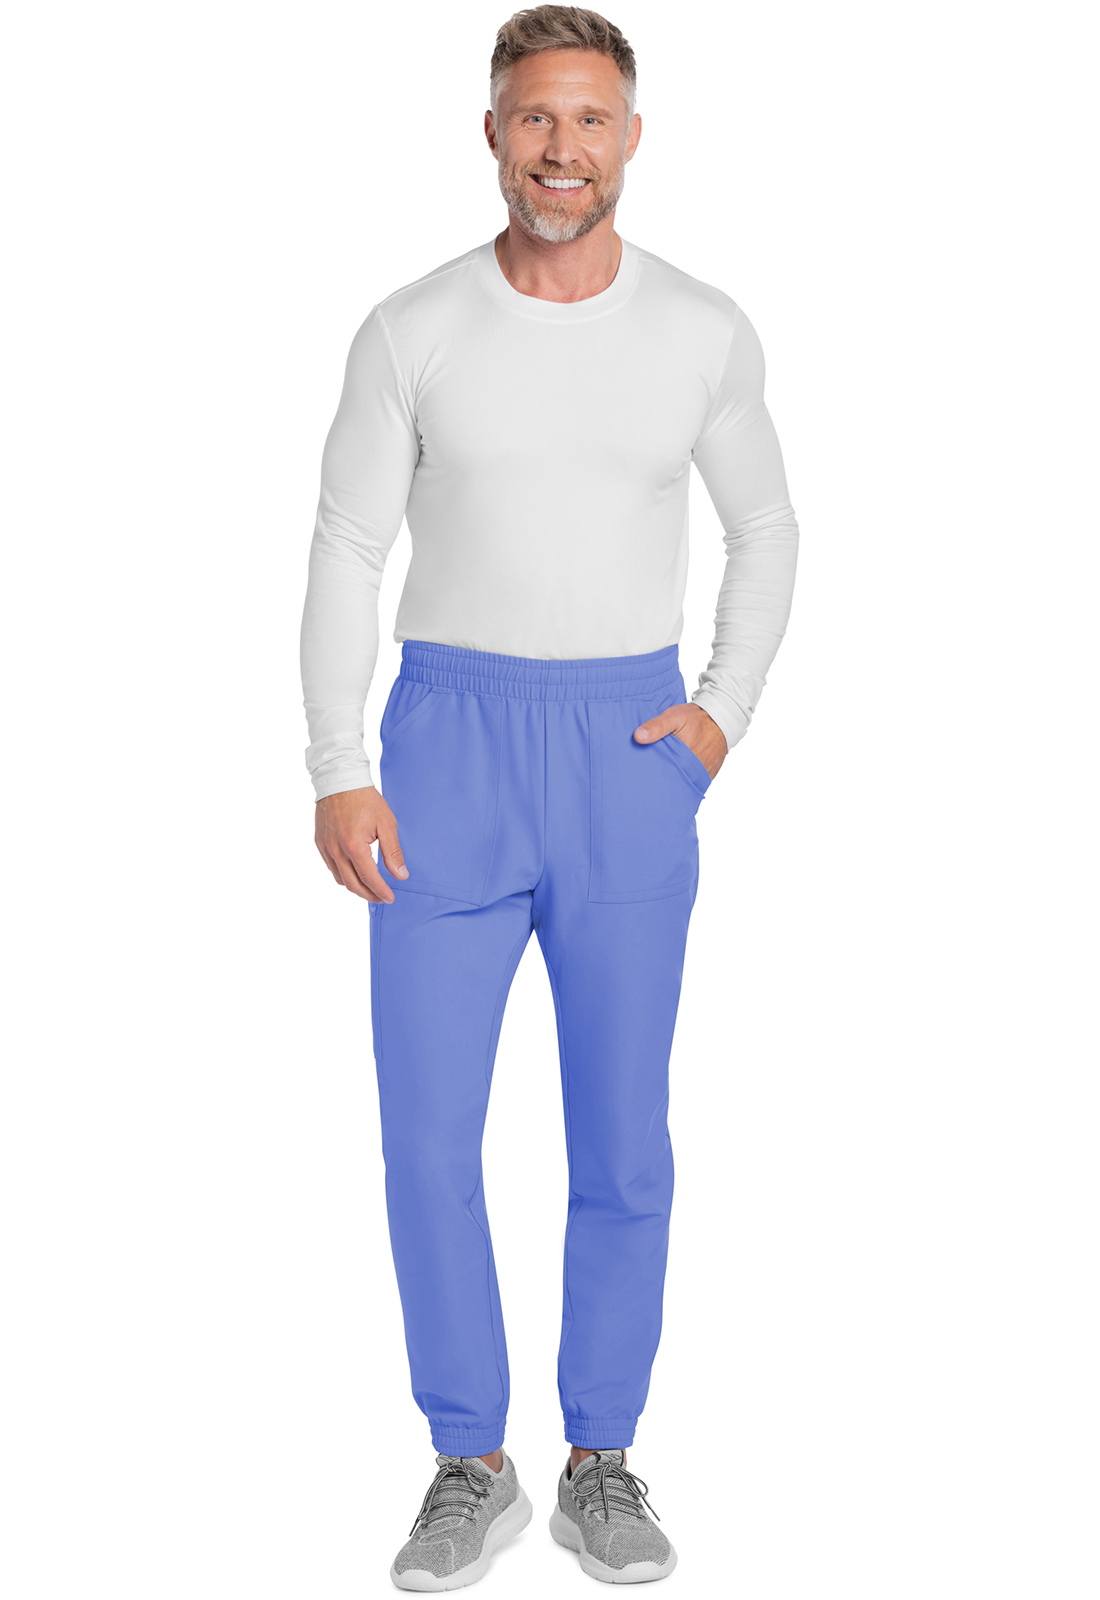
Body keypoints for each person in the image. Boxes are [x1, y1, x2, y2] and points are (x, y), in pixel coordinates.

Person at [300, 6, 799, 1588]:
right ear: (493, 134)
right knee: (426, 1137)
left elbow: (768, 529)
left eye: (590, 119)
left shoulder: (702, 329)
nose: (562, 148)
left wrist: (719, 717)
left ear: (632, 137)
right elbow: (347, 548)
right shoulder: (414, 327)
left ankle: (601, 1457)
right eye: (535, 118)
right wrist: (340, 766)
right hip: (446, 751)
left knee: (623, 1139)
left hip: (626, 754)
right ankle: (470, 1460)